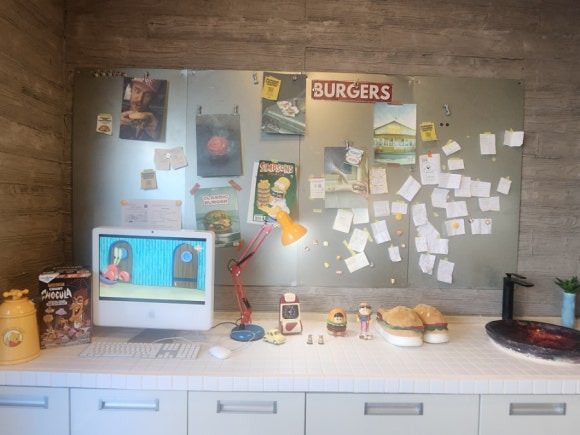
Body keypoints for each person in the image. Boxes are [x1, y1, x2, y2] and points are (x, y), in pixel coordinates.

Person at [120, 77, 163, 141]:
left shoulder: (160, 122)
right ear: (131, 90)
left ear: (152, 99)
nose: (140, 99)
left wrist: (158, 136)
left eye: (147, 95)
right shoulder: (116, 113)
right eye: (137, 91)